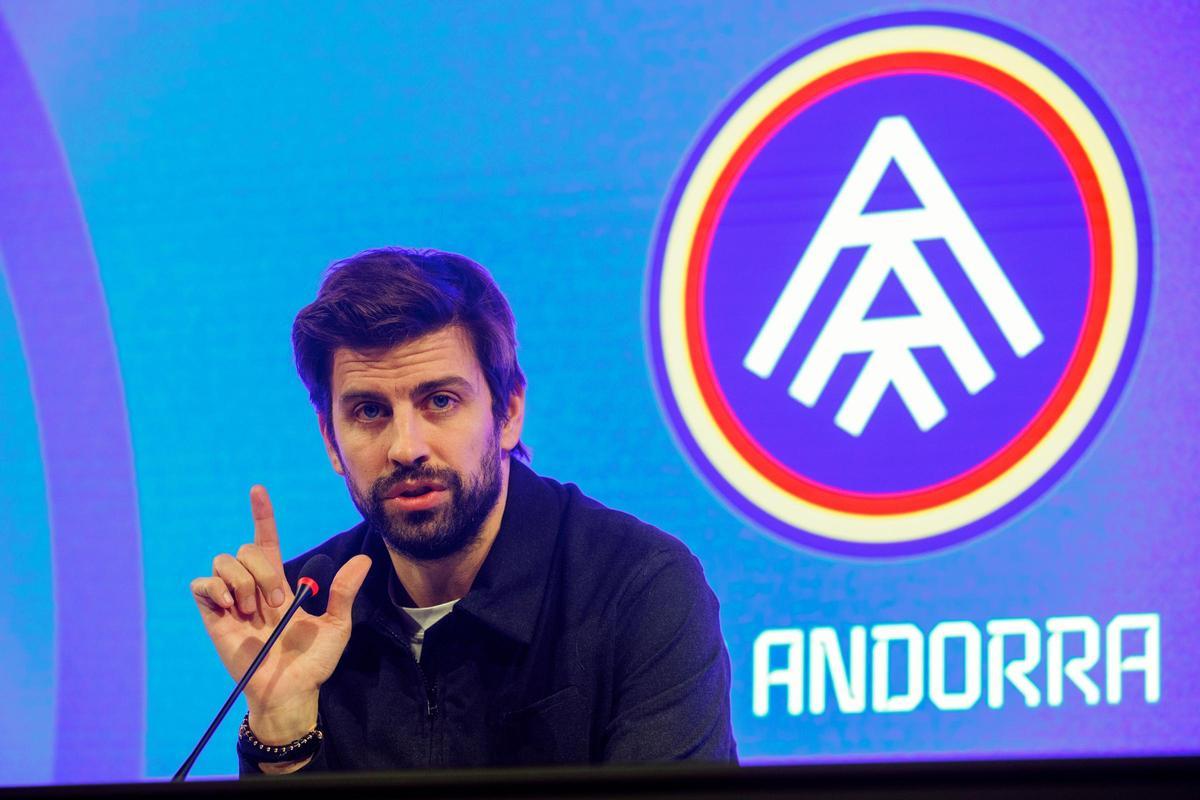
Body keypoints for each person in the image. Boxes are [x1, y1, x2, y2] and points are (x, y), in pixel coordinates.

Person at [189, 247, 737, 773]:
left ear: (508, 412)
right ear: (331, 440)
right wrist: (283, 725)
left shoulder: (639, 589)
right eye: (370, 411)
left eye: (440, 401)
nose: (406, 447)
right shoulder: (301, 612)